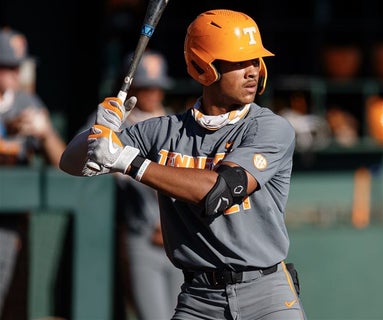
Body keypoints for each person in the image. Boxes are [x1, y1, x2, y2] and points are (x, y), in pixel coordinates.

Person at [59, 9, 305, 320]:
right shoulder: (164, 131)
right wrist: (97, 133)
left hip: (266, 295)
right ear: (204, 68)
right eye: (239, 62)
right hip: (199, 299)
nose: (253, 70)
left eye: (255, 60)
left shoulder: (270, 128)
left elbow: (219, 190)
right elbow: (70, 163)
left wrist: (128, 161)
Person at [80, 49, 184, 320]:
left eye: (157, 87)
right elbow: (71, 160)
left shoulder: (175, 124)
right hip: (140, 236)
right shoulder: (115, 121)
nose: (152, 94)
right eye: (146, 86)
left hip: (179, 238)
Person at [0, 27, 66, 317]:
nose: (15, 74)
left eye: (17, 66)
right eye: (8, 66)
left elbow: (62, 161)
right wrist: (6, 131)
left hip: (11, 222)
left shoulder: (27, 103)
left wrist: (46, 132)